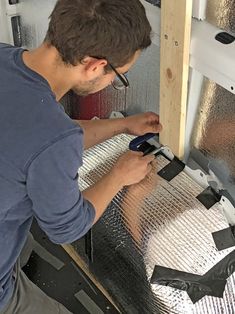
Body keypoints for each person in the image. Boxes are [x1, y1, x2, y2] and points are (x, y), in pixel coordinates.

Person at [0, 0, 162, 313]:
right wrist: (119, 176)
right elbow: (66, 229)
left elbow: (40, 134)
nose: (113, 83)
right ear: (94, 66)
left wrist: (122, 126)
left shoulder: (5, 57)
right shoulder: (52, 138)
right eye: (120, 75)